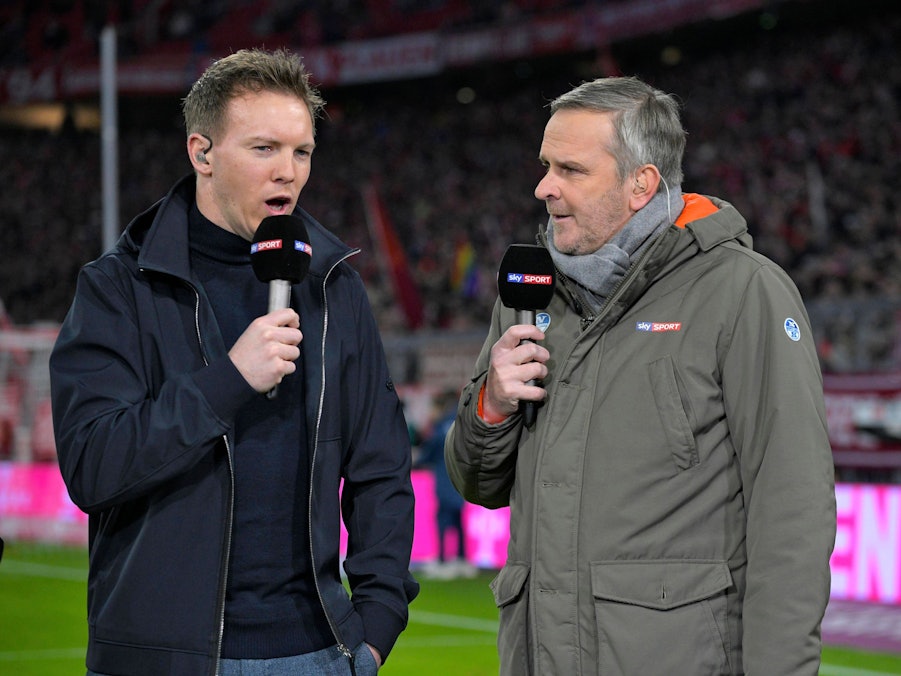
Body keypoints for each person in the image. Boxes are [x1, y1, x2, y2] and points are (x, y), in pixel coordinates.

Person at [444, 76, 836, 675]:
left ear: (640, 185)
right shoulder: (527, 299)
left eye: (570, 170)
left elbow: (792, 512)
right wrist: (490, 407)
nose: (543, 187)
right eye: (546, 165)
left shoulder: (741, 291)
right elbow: (477, 484)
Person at [50, 48, 418, 676]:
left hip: (319, 655)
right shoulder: (119, 287)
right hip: (167, 661)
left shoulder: (333, 287)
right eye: (263, 149)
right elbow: (92, 467)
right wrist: (228, 381)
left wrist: (377, 623)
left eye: (301, 151)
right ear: (202, 154)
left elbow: (380, 469)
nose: (289, 173)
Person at [416, 389, 475, 579]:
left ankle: (442, 561)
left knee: (442, 520)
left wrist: (414, 461)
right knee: (458, 520)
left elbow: (428, 453)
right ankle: (462, 559)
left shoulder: (440, 424)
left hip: (444, 479)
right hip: (462, 480)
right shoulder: (463, 422)